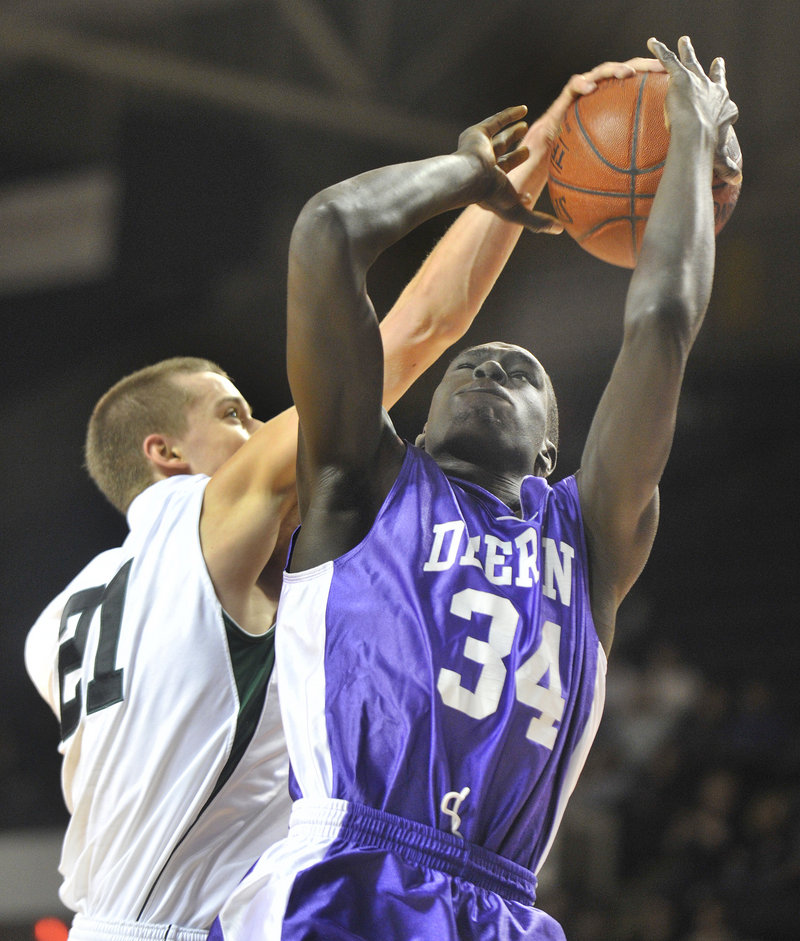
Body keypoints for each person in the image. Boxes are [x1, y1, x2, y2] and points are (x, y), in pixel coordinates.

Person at [22, 53, 657, 941]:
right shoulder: (209, 516)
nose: (265, 432)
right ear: (165, 455)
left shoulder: (57, 626)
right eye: (236, 414)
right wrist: (527, 161)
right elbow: (416, 330)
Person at [210, 35, 742, 941]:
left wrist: (687, 141)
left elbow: (662, 321)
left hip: (501, 906)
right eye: (475, 362)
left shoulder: (589, 534)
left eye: (523, 373)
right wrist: (457, 176)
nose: (493, 364)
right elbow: (327, 233)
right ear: (416, 426)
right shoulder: (363, 484)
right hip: (345, 876)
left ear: (549, 453)